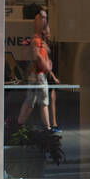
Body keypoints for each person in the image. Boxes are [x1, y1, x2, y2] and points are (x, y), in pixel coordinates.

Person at [17, 8, 61, 137]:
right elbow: (38, 57)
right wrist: (47, 66)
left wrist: (51, 72)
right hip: (39, 74)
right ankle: (47, 127)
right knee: (43, 102)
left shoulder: (39, 41)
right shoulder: (37, 41)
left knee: (31, 101)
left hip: (37, 74)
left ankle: (19, 124)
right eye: (42, 18)